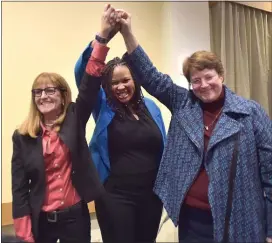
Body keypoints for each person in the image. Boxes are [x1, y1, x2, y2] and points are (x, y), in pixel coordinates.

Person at [105, 8, 272, 243]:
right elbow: (150, 75)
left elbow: (270, 173)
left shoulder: (250, 112)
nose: (204, 85)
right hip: (192, 220)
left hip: (239, 220)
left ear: (221, 76)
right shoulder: (184, 104)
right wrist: (127, 33)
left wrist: (270, 229)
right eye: (196, 80)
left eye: (209, 77)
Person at [74, 4, 166, 243]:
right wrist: (103, 37)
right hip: (115, 197)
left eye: (125, 80)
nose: (121, 86)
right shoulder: (103, 106)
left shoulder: (152, 109)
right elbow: (82, 72)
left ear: (134, 80)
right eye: (114, 83)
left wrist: (127, 32)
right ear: (107, 86)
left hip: (151, 195)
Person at [11, 60, 104, 242]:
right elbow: (19, 187)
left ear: (63, 96)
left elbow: (89, 87)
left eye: (50, 90)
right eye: (38, 92)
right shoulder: (22, 136)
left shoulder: (74, 119)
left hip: (75, 218)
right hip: (42, 222)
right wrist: (24, 232)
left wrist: (101, 42)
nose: (43, 96)